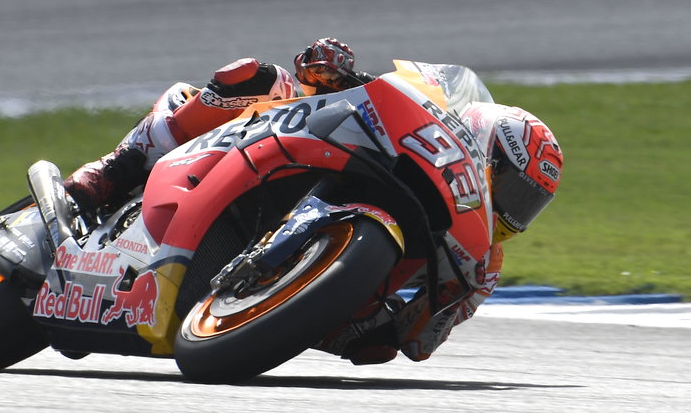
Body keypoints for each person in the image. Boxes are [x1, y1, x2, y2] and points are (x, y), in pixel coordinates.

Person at [63, 37, 564, 365]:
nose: (515, 211)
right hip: (283, 152)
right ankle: (112, 171)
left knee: (372, 346)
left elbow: (417, 343)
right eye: (513, 187)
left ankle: (256, 297)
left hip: (318, 309)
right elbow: (324, 77)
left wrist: (398, 322)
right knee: (253, 77)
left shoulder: (482, 265)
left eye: (529, 204)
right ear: (480, 140)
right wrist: (331, 71)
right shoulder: (414, 121)